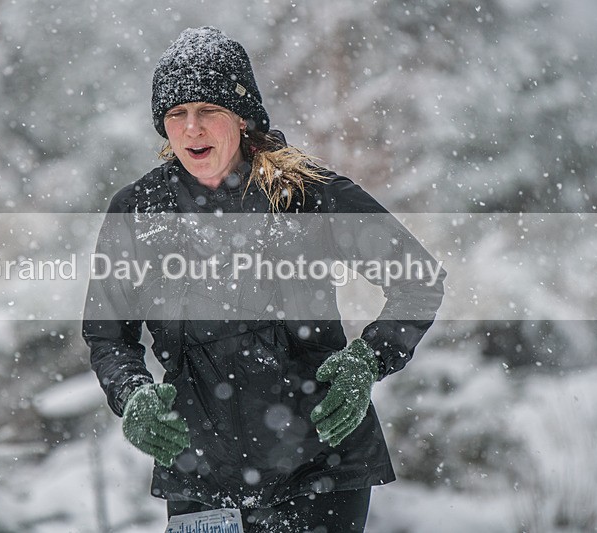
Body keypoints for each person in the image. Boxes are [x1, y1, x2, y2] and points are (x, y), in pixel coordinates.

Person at [82, 26, 445, 532]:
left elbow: (418, 278)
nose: (192, 129)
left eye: (208, 110)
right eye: (176, 115)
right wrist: (133, 394)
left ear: (242, 116)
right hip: (200, 473)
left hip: (320, 462)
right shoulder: (139, 211)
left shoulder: (303, 194)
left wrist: (369, 359)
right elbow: (107, 334)